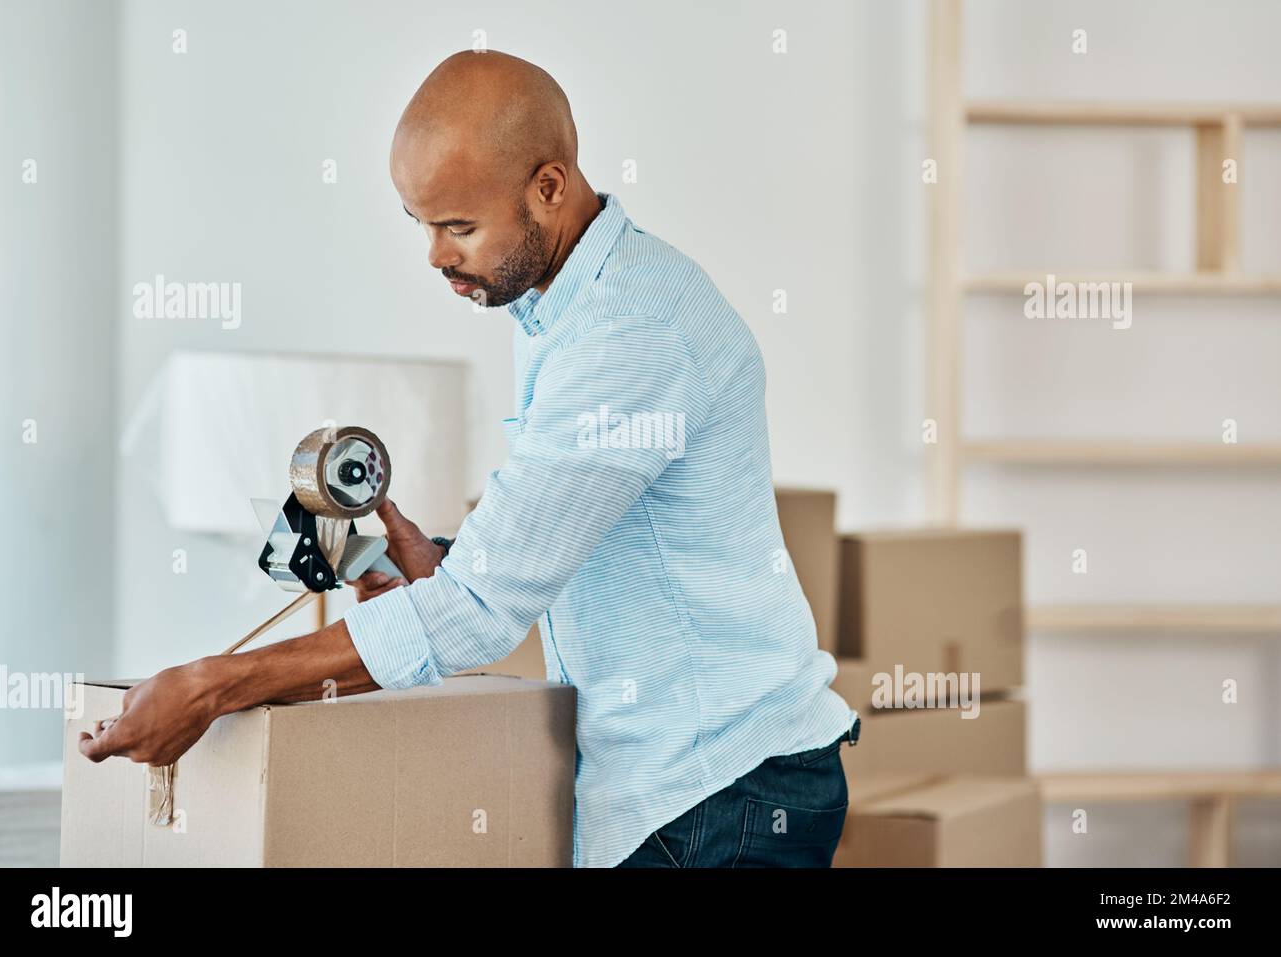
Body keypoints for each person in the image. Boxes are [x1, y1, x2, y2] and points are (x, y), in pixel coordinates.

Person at [78, 49, 860, 868]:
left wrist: (213, 684)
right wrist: (446, 563)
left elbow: (482, 610)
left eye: (459, 227)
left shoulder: (628, 336)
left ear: (549, 186)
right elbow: (550, 552)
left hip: (717, 794)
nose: (435, 256)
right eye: (421, 223)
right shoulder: (571, 306)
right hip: (703, 782)